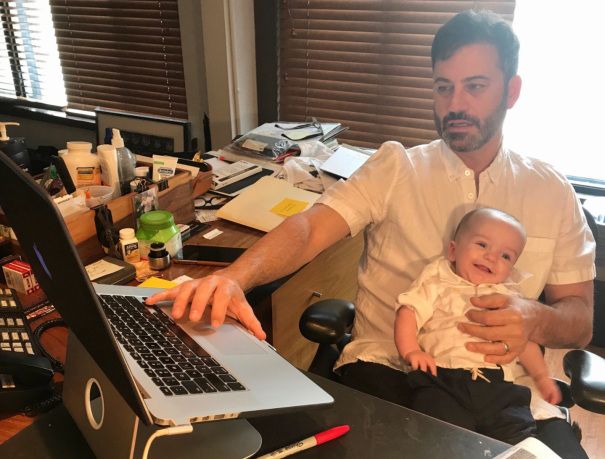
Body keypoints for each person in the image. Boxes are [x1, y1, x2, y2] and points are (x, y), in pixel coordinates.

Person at [147, 9, 595, 458]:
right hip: (388, 373)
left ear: (511, 91)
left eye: (475, 86)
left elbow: (579, 318)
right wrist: (234, 278)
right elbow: (309, 227)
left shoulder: (551, 191)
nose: (455, 104)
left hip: (507, 394)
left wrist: (535, 318)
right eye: (443, 87)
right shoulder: (397, 166)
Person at [395, 207, 561, 444]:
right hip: (443, 379)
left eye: (506, 256)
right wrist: (411, 350)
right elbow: (409, 312)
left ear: (510, 270)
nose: (492, 257)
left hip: (498, 387)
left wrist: (542, 377)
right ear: (453, 250)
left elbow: (523, 343)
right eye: (482, 245)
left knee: (519, 436)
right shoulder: (438, 280)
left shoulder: (509, 298)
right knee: (438, 428)